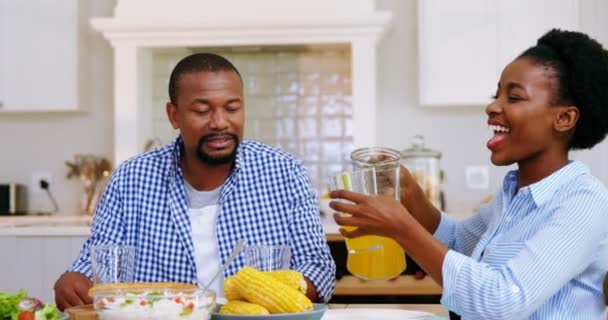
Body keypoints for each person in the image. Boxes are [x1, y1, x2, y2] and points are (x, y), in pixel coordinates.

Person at [330, 29, 608, 319]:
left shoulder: (583, 202)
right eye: (496, 94)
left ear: (563, 118)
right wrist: (410, 194)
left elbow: (502, 300)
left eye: (513, 97)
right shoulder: (512, 195)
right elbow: (459, 242)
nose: (492, 106)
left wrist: (401, 227)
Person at [54, 53, 336, 311]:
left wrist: (267, 294)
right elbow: (98, 266)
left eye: (232, 108)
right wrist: (73, 279)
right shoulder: (130, 179)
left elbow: (319, 270)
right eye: (202, 111)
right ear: (174, 115)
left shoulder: (284, 172)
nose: (220, 122)